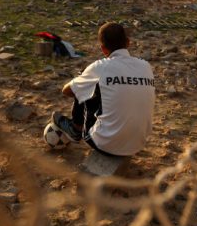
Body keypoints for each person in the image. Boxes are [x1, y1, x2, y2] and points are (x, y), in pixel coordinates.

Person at [52, 22, 155, 156]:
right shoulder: (145, 66)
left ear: (103, 49)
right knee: (104, 87)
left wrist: (84, 79)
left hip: (105, 144)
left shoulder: (101, 67)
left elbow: (67, 91)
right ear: (128, 43)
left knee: (86, 83)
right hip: (138, 144)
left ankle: (76, 128)